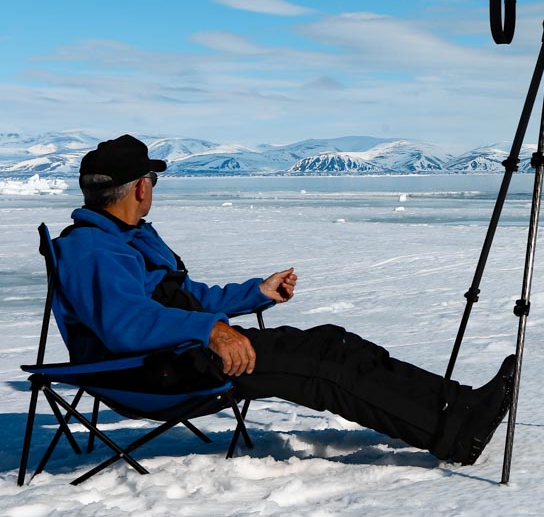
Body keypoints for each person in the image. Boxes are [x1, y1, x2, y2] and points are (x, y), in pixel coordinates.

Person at [52, 134, 513, 466]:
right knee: (321, 365)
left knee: (332, 344)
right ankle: (453, 431)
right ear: (140, 186)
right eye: (152, 177)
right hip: (151, 374)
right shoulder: (93, 248)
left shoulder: (126, 238)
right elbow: (124, 324)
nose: (152, 186)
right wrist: (209, 329)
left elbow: (188, 298)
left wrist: (257, 292)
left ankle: (457, 406)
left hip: (176, 355)